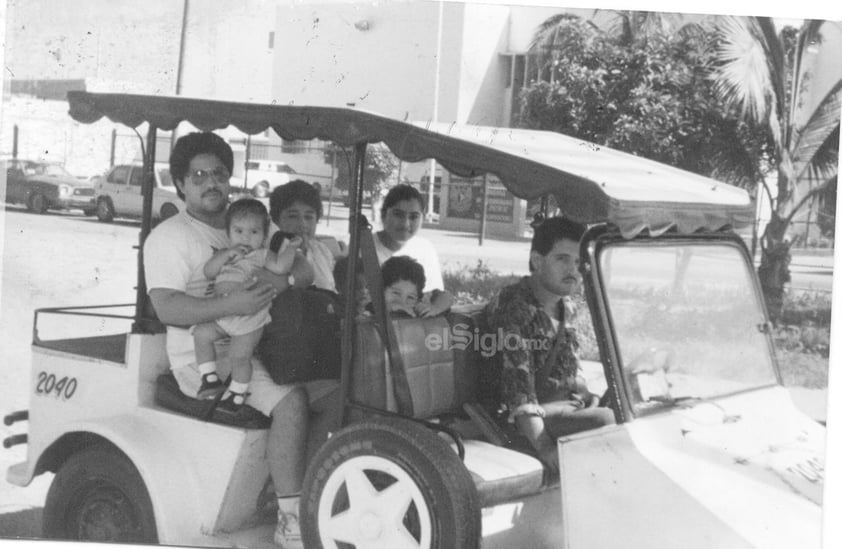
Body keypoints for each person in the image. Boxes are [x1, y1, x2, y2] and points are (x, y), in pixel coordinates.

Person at [143, 132, 333, 549]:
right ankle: (289, 519)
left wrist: (276, 282)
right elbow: (168, 309)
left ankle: (318, 494)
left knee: (335, 388)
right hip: (205, 352)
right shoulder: (171, 237)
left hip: (258, 338)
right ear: (180, 184)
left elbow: (302, 273)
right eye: (198, 176)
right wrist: (237, 301)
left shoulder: (250, 222)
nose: (211, 182)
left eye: (218, 173)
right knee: (292, 401)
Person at [484, 217, 615, 474]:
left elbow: (569, 367)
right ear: (537, 261)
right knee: (608, 420)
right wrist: (545, 449)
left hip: (563, 409)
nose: (573, 270)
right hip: (521, 424)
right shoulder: (515, 306)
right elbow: (518, 391)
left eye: (578, 262)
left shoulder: (565, 306)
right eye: (562, 259)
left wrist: (588, 395)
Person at [192, 198, 305, 411]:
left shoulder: (262, 255)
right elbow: (209, 272)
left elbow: (280, 267)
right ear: (228, 232)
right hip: (224, 315)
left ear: (264, 235)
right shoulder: (224, 254)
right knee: (201, 334)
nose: (246, 237)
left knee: (239, 356)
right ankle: (209, 378)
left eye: (254, 232)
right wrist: (225, 255)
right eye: (239, 231)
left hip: (249, 320)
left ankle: (237, 393)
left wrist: (290, 248)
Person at [374, 184, 453, 317]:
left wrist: (433, 308)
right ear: (383, 214)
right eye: (398, 215)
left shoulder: (425, 249)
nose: (405, 224)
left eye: (413, 217)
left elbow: (438, 295)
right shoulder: (362, 247)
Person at [269, 180, 337, 293]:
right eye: (293, 216)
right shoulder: (268, 255)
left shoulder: (322, 251)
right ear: (276, 220)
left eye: (309, 217)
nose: (302, 224)